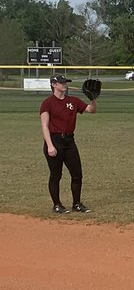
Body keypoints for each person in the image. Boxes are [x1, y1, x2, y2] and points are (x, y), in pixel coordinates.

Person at [39, 73, 97, 214]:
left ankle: (76, 204)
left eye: (65, 82)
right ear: (53, 85)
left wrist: (93, 99)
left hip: (70, 142)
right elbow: (44, 125)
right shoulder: (48, 103)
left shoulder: (73, 101)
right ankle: (57, 205)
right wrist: (50, 145)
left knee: (77, 174)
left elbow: (91, 110)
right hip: (54, 141)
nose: (65, 84)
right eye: (62, 82)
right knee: (56, 175)